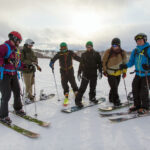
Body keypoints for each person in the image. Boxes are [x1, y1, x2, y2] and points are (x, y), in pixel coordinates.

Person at [120, 33, 150, 114]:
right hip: (138, 74)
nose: (139, 42)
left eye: (140, 40)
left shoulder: (148, 49)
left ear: (144, 40)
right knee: (135, 89)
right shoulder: (135, 50)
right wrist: (125, 66)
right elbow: (131, 62)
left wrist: (148, 66)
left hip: (147, 75)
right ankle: (137, 105)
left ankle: (145, 107)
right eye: (137, 40)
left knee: (143, 92)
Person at [0, 31, 25, 124]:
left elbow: (18, 63)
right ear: (14, 39)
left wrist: (25, 66)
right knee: (6, 95)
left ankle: (18, 108)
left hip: (13, 73)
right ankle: (3, 115)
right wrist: (6, 60)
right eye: (19, 41)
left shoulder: (17, 50)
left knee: (17, 91)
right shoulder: (4, 47)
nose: (19, 43)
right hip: (4, 74)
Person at [75, 41, 102, 108]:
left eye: (90, 46)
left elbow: (100, 64)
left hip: (93, 74)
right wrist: (79, 73)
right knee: (82, 88)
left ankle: (92, 98)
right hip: (85, 74)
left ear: (92, 46)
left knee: (93, 88)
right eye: (87, 47)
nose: (88, 48)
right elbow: (81, 64)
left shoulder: (96, 54)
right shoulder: (83, 54)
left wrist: (100, 71)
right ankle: (78, 101)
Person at [102, 38, 127, 106]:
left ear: (119, 45)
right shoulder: (108, 52)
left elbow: (125, 63)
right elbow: (104, 61)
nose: (114, 47)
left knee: (114, 87)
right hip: (110, 73)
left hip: (118, 73)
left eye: (115, 46)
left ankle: (111, 98)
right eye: (113, 45)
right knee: (114, 87)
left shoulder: (122, 52)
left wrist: (124, 72)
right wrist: (104, 70)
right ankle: (116, 101)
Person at [21, 39, 41, 104]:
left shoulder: (31, 51)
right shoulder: (23, 51)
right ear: (26, 44)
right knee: (28, 85)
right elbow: (22, 60)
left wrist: (37, 64)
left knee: (32, 83)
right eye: (30, 45)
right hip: (26, 70)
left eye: (32, 45)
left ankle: (30, 96)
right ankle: (27, 97)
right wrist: (31, 62)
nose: (31, 46)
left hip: (32, 70)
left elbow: (35, 58)